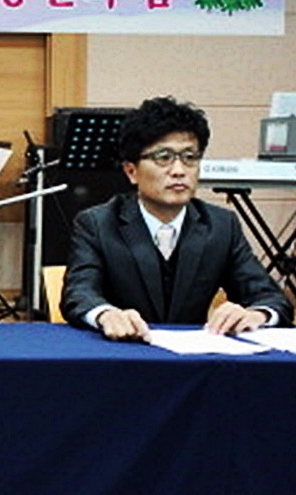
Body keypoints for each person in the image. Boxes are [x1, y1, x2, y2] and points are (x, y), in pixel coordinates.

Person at [61, 95, 292, 342]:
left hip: (195, 358)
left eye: (190, 157)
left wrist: (257, 314)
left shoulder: (221, 226)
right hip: (123, 351)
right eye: (164, 157)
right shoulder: (97, 224)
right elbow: (79, 292)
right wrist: (105, 314)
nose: (179, 171)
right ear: (131, 171)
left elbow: (270, 297)